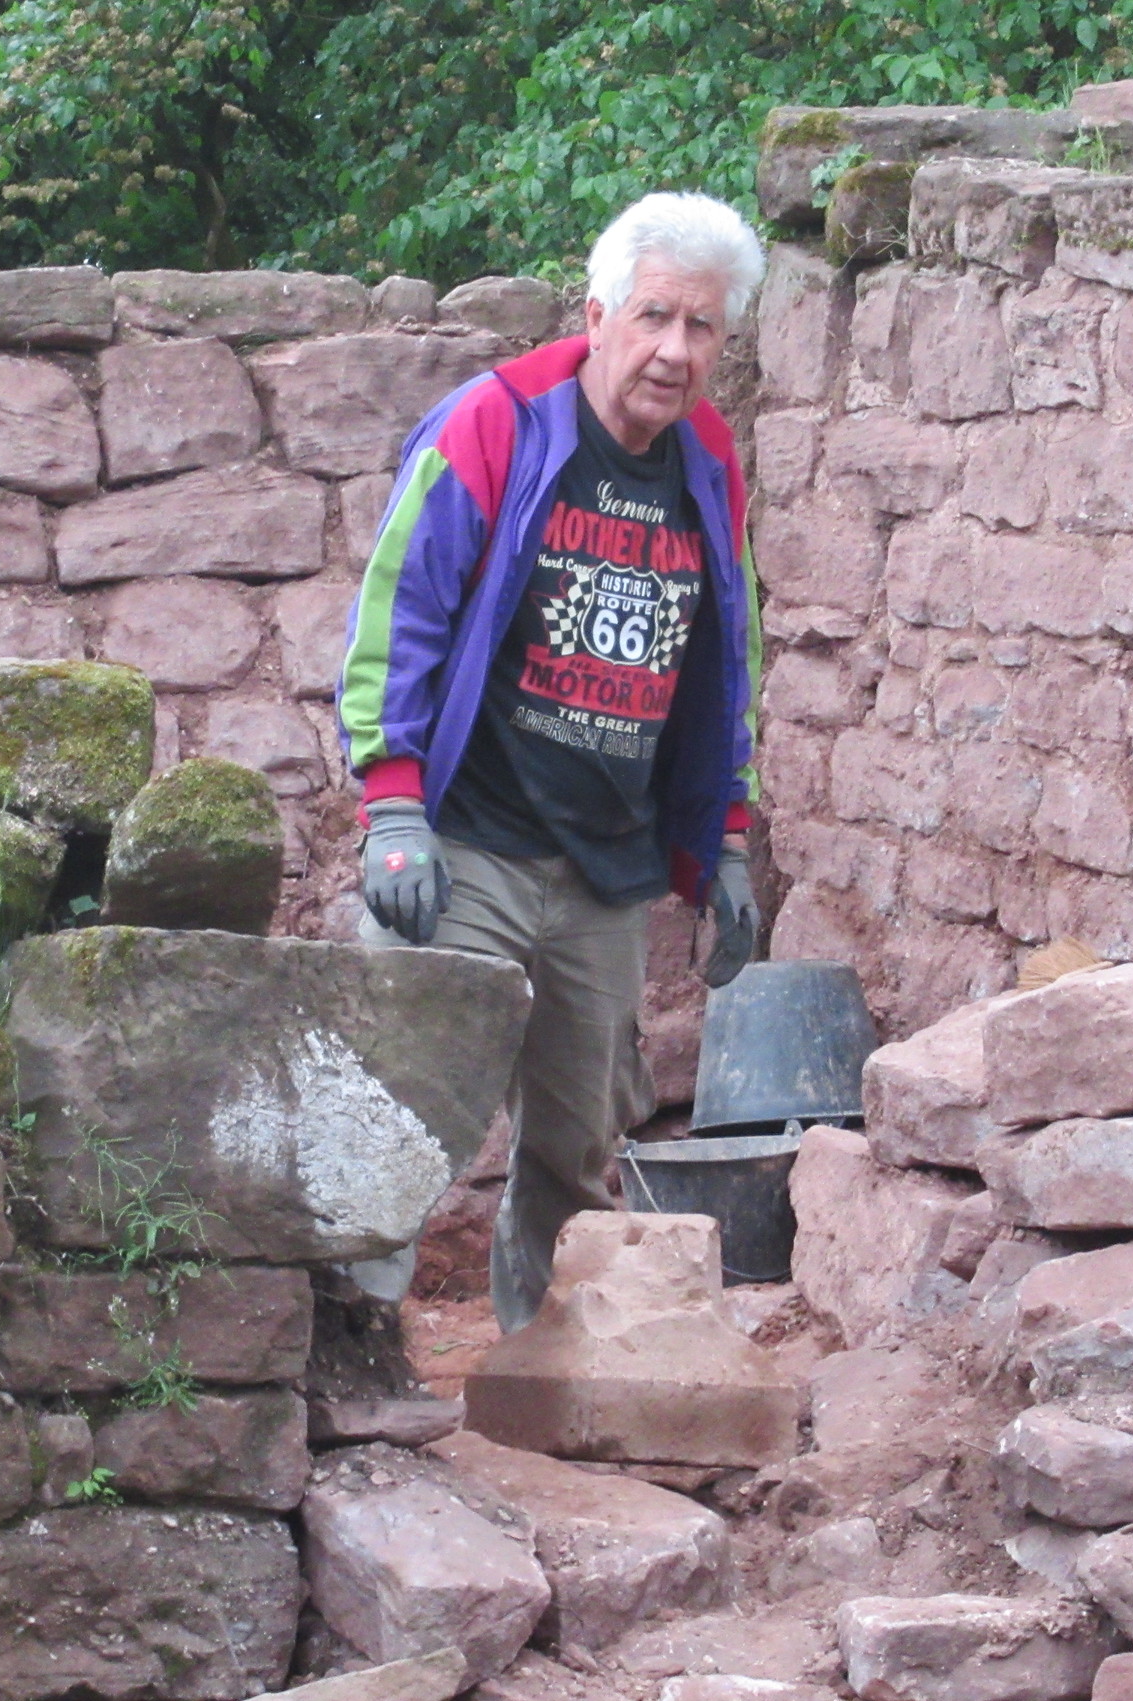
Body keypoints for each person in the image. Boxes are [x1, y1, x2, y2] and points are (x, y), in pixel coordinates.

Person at [336, 190, 769, 1332]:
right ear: (598, 315)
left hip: (605, 872)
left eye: (703, 327)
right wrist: (392, 807)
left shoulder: (708, 463)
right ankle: (348, 1371)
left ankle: (547, 1376)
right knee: (400, 1113)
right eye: (655, 316)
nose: (675, 350)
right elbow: (398, 613)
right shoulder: (497, 423)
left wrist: (724, 842)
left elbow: (727, 657)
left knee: (578, 1154)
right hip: (465, 842)